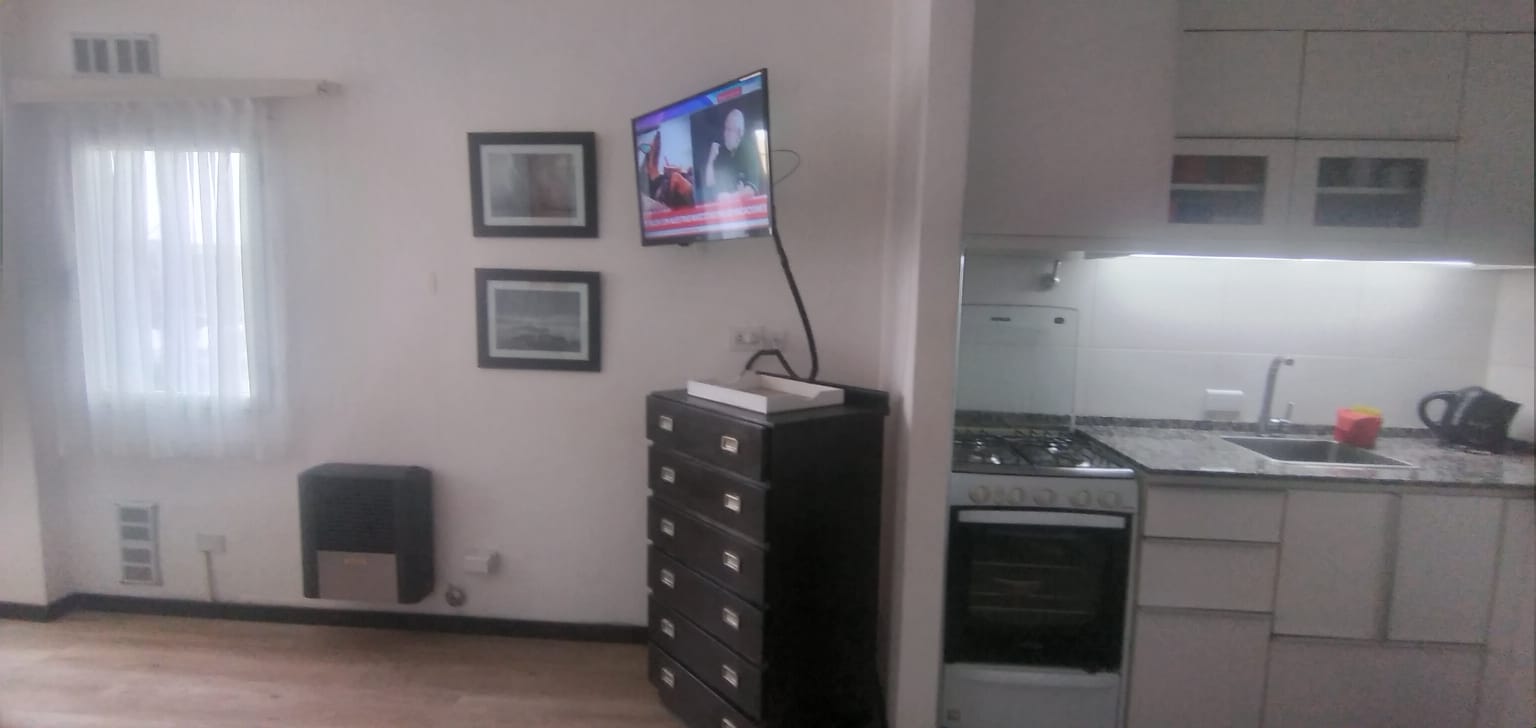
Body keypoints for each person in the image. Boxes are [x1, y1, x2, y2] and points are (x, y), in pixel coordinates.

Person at [703, 108, 760, 202]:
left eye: (729, 130)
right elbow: (710, 185)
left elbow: (751, 189)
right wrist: (711, 160)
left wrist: (729, 198)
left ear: (739, 133)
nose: (725, 134)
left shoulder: (749, 150)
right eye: (725, 129)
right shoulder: (722, 152)